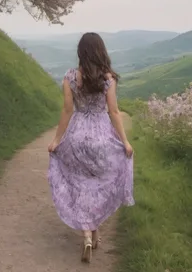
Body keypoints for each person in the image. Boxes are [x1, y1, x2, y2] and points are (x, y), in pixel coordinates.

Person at [47, 32, 134, 263]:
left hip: (76, 136)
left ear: (81, 52)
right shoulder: (108, 78)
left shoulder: (70, 77)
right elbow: (114, 112)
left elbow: (67, 111)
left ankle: (87, 234)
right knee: (97, 184)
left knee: (80, 184)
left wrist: (57, 140)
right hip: (101, 137)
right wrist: (124, 141)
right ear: (100, 51)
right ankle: (94, 232)